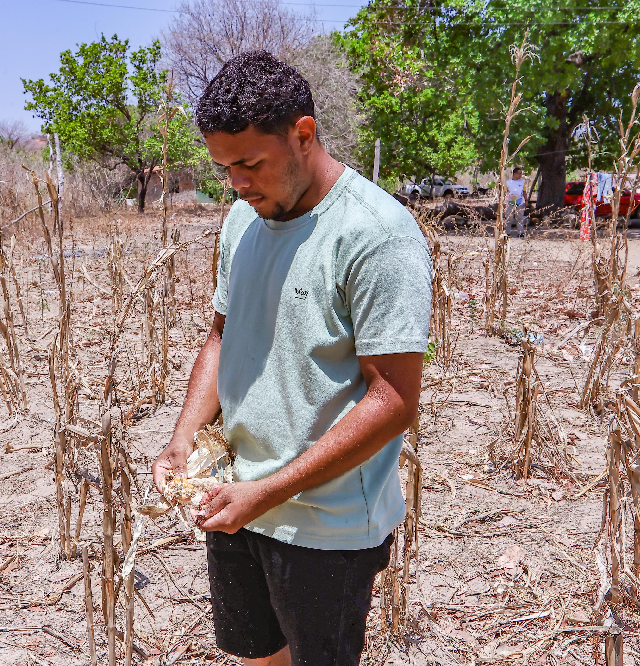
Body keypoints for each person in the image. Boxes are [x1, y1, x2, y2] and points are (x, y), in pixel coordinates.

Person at [152, 51, 432, 666]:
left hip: (325, 525)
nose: (237, 183)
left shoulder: (376, 234)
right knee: (257, 656)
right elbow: (221, 336)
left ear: (303, 134)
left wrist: (268, 490)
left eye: (251, 163)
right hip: (235, 499)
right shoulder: (242, 221)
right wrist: (183, 438)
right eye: (225, 167)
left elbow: (394, 401)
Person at [506, 167, 526, 235]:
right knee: (509, 218)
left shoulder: (522, 182)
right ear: (515, 174)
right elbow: (504, 192)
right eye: (519, 173)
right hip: (509, 203)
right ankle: (507, 232)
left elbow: (524, 191)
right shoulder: (508, 182)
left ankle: (520, 232)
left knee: (520, 218)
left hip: (519, 203)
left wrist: (526, 200)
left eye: (521, 174)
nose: (520, 175)